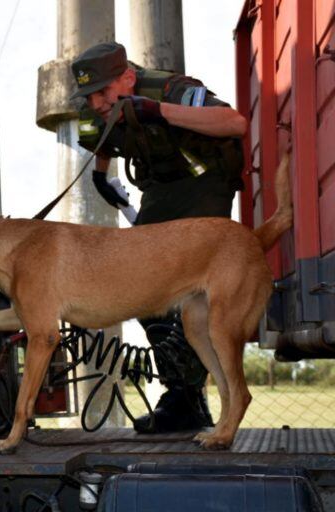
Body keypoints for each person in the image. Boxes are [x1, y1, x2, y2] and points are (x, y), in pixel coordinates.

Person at [69, 42, 247, 433]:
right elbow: (104, 136)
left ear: (128, 77)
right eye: (89, 94)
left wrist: (159, 111)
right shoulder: (95, 107)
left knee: (188, 295)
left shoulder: (168, 90)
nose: (97, 103)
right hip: (160, 191)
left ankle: (185, 398)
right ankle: (184, 396)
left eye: (104, 92)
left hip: (204, 184)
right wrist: (102, 174)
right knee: (142, 289)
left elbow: (236, 124)